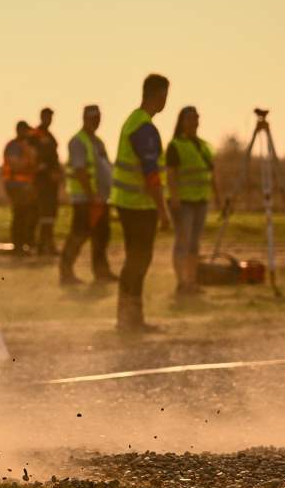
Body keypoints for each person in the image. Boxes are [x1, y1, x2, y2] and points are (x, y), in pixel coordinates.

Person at [109, 74, 171, 333]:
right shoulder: (144, 127)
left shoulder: (133, 121)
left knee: (135, 260)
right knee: (138, 261)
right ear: (158, 95)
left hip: (128, 203)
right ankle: (129, 318)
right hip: (138, 205)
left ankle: (130, 317)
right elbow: (151, 175)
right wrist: (163, 211)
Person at [59, 105, 117, 285]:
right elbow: (80, 170)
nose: (96, 121)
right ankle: (66, 271)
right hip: (85, 198)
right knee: (79, 234)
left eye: (98, 117)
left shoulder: (98, 142)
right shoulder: (78, 141)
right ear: (84, 118)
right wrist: (91, 194)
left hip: (100, 197)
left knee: (102, 235)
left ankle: (101, 271)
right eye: (93, 118)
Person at [166, 105, 219, 295]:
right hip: (183, 202)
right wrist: (174, 198)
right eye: (190, 118)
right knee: (183, 241)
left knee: (194, 243)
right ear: (182, 122)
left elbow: (211, 173)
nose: (194, 122)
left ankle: (192, 281)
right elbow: (171, 175)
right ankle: (181, 282)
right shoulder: (175, 146)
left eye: (196, 118)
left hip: (200, 201)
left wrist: (217, 197)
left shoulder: (204, 146)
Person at [3, 121, 39, 255]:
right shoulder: (14, 146)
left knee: (28, 214)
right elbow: (16, 165)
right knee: (20, 214)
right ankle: (18, 246)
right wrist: (30, 163)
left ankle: (26, 243)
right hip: (16, 186)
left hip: (26, 186)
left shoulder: (25, 146)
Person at [30, 107, 62, 255]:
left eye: (51, 117)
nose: (49, 120)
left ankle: (47, 243)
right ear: (42, 117)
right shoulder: (35, 134)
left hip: (51, 180)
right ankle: (43, 245)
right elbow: (33, 156)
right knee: (44, 212)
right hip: (42, 180)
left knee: (50, 212)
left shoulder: (50, 135)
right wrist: (45, 170)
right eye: (47, 116)